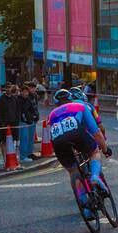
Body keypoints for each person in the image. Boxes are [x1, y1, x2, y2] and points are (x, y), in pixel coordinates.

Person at [47, 87, 112, 217]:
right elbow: (97, 131)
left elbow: (53, 135)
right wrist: (105, 149)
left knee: (73, 171)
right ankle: (94, 177)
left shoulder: (52, 114)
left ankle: (85, 206)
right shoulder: (81, 106)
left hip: (59, 142)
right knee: (94, 153)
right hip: (79, 135)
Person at [19, 83, 40, 160]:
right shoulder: (20, 99)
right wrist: (27, 118)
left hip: (32, 121)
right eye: (31, 88)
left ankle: (29, 153)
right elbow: (23, 111)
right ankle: (23, 156)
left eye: (34, 88)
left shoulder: (33, 96)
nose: (33, 90)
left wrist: (36, 116)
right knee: (24, 139)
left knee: (30, 139)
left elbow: (34, 108)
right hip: (24, 122)